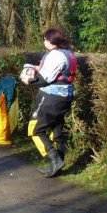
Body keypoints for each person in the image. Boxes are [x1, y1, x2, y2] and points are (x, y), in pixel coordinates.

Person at [22, 27, 77, 178]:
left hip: (52, 96)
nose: (44, 41)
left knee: (35, 130)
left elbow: (44, 79)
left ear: (52, 41)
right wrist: (36, 67)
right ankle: (57, 166)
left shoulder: (55, 55)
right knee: (56, 129)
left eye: (45, 39)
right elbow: (58, 72)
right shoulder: (69, 53)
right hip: (66, 95)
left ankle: (54, 159)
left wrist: (29, 79)